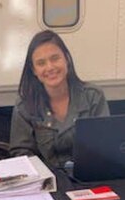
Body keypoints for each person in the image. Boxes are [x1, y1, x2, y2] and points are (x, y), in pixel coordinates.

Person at [9, 30, 109, 168]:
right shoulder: (24, 105)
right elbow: (21, 153)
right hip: (46, 182)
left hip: (88, 177)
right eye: (41, 63)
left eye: (55, 58)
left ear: (67, 59)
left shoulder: (93, 96)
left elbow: (105, 146)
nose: (50, 67)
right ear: (34, 70)